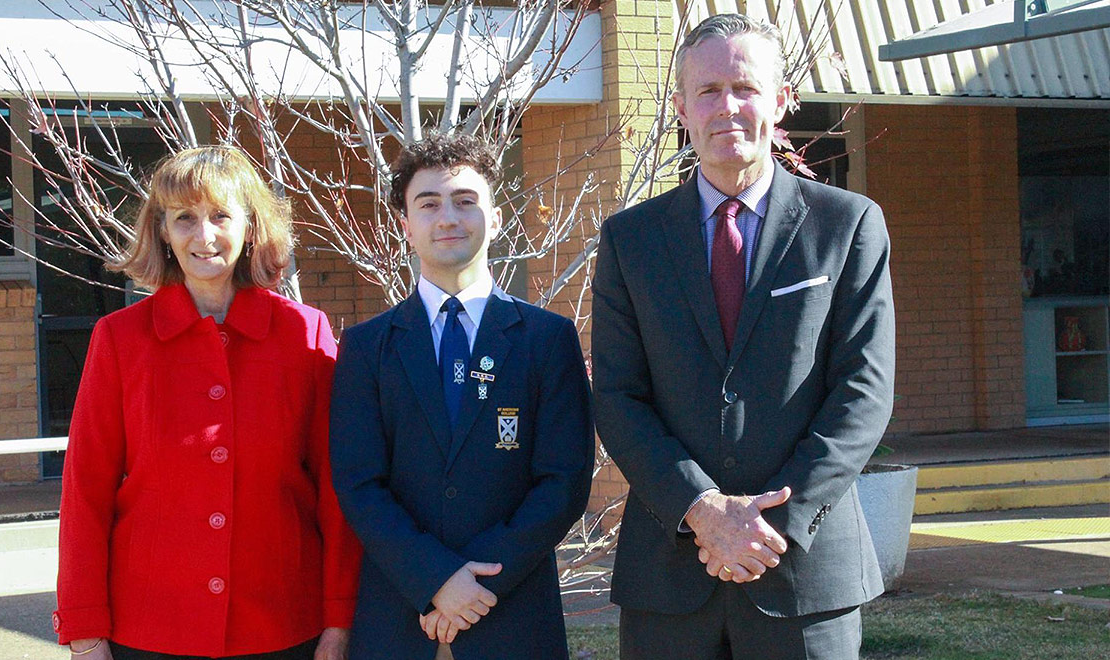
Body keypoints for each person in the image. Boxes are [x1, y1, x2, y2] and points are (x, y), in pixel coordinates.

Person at [591, 13, 895, 660]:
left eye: (745, 87)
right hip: (668, 579)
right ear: (681, 106)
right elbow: (618, 397)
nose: (726, 107)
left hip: (803, 575)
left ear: (782, 99)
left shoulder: (846, 226)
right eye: (707, 91)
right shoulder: (630, 240)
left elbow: (863, 394)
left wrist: (767, 526)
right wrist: (702, 510)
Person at [52, 146, 361, 660]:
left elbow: (336, 484)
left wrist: (340, 615)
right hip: (150, 627)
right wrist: (84, 629)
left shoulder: (302, 333)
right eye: (184, 219)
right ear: (162, 232)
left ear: (251, 226)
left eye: (221, 215)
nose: (203, 235)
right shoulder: (119, 338)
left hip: (283, 624)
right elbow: (84, 491)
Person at [329, 133, 594, 660]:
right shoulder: (366, 348)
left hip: (513, 613)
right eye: (427, 204)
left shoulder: (547, 339)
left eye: (465, 201)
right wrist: (434, 579)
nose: (447, 217)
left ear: (495, 218)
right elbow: (359, 484)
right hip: (401, 617)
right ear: (405, 226)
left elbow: (562, 482)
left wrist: (476, 585)